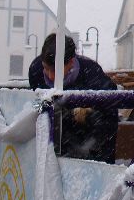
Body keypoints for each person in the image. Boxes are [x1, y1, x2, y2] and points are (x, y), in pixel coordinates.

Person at [28, 33, 118, 164]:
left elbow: (110, 109)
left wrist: (89, 110)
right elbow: (35, 103)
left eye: (56, 70)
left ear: (71, 62)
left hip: (90, 143)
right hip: (51, 140)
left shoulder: (93, 74)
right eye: (46, 68)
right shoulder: (36, 70)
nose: (50, 76)